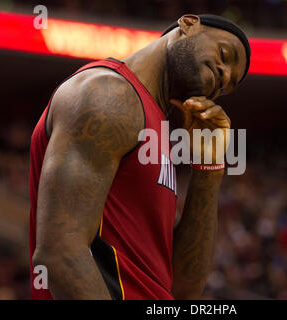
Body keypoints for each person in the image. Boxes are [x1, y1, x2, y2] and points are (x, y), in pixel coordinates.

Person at [29, 14, 250, 299]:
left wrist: (208, 169)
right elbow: (60, 255)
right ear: (188, 24)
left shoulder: (155, 126)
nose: (225, 76)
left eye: (228, 86)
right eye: (224, 54)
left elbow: (181, 291)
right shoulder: (109, 94)